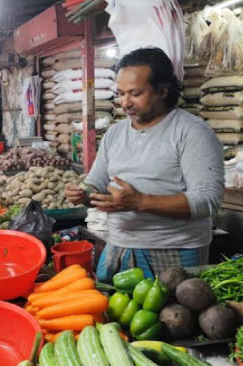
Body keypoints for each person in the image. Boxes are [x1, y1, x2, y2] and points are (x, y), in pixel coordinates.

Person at [65, 47, 224, 282]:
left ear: (162, 91)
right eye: (120, 93)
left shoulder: (191, 132)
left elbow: (209, 199)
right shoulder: (115, 134)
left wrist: (140, 202)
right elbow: (96, 183)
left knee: (171, 317)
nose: (125, 103)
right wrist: (84, 194)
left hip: (175, 252)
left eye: (135, 93)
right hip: (119, 248)